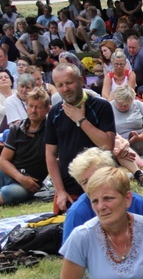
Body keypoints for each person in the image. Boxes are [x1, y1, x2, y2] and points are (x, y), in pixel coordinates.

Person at [45, 63, 115, 213]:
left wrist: (81, 120)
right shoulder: (54, 113)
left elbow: (107, 145)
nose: (65, 89)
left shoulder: (101, 107)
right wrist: (60, 191)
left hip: (103, 186)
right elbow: (50, 155)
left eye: (69, 83)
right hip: (70, 191)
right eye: (60, 85)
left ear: (81, 80)